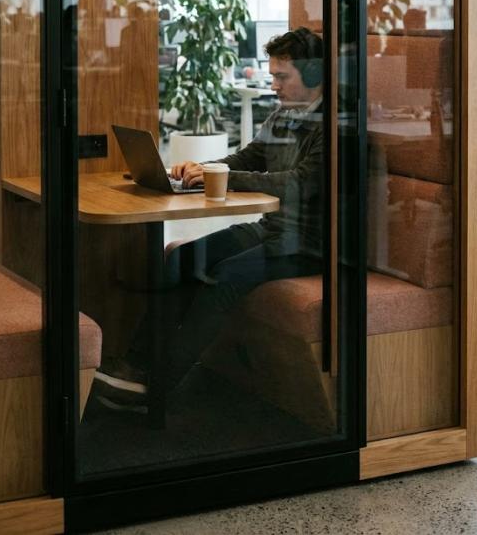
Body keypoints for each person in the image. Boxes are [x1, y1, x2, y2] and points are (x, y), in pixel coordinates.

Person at [95, 26, 325, 407]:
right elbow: (248, 157)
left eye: (283, 77)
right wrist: (200, 169)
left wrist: (223, 177)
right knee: (182, 258)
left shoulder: (335, 127)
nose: (275, 85)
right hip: (272, 230)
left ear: (314, 74)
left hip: (313, 243)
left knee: (224, 276)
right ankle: (135, 368)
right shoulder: (284, 116)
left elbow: (299, 182)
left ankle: (159, 388)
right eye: (274, 76)